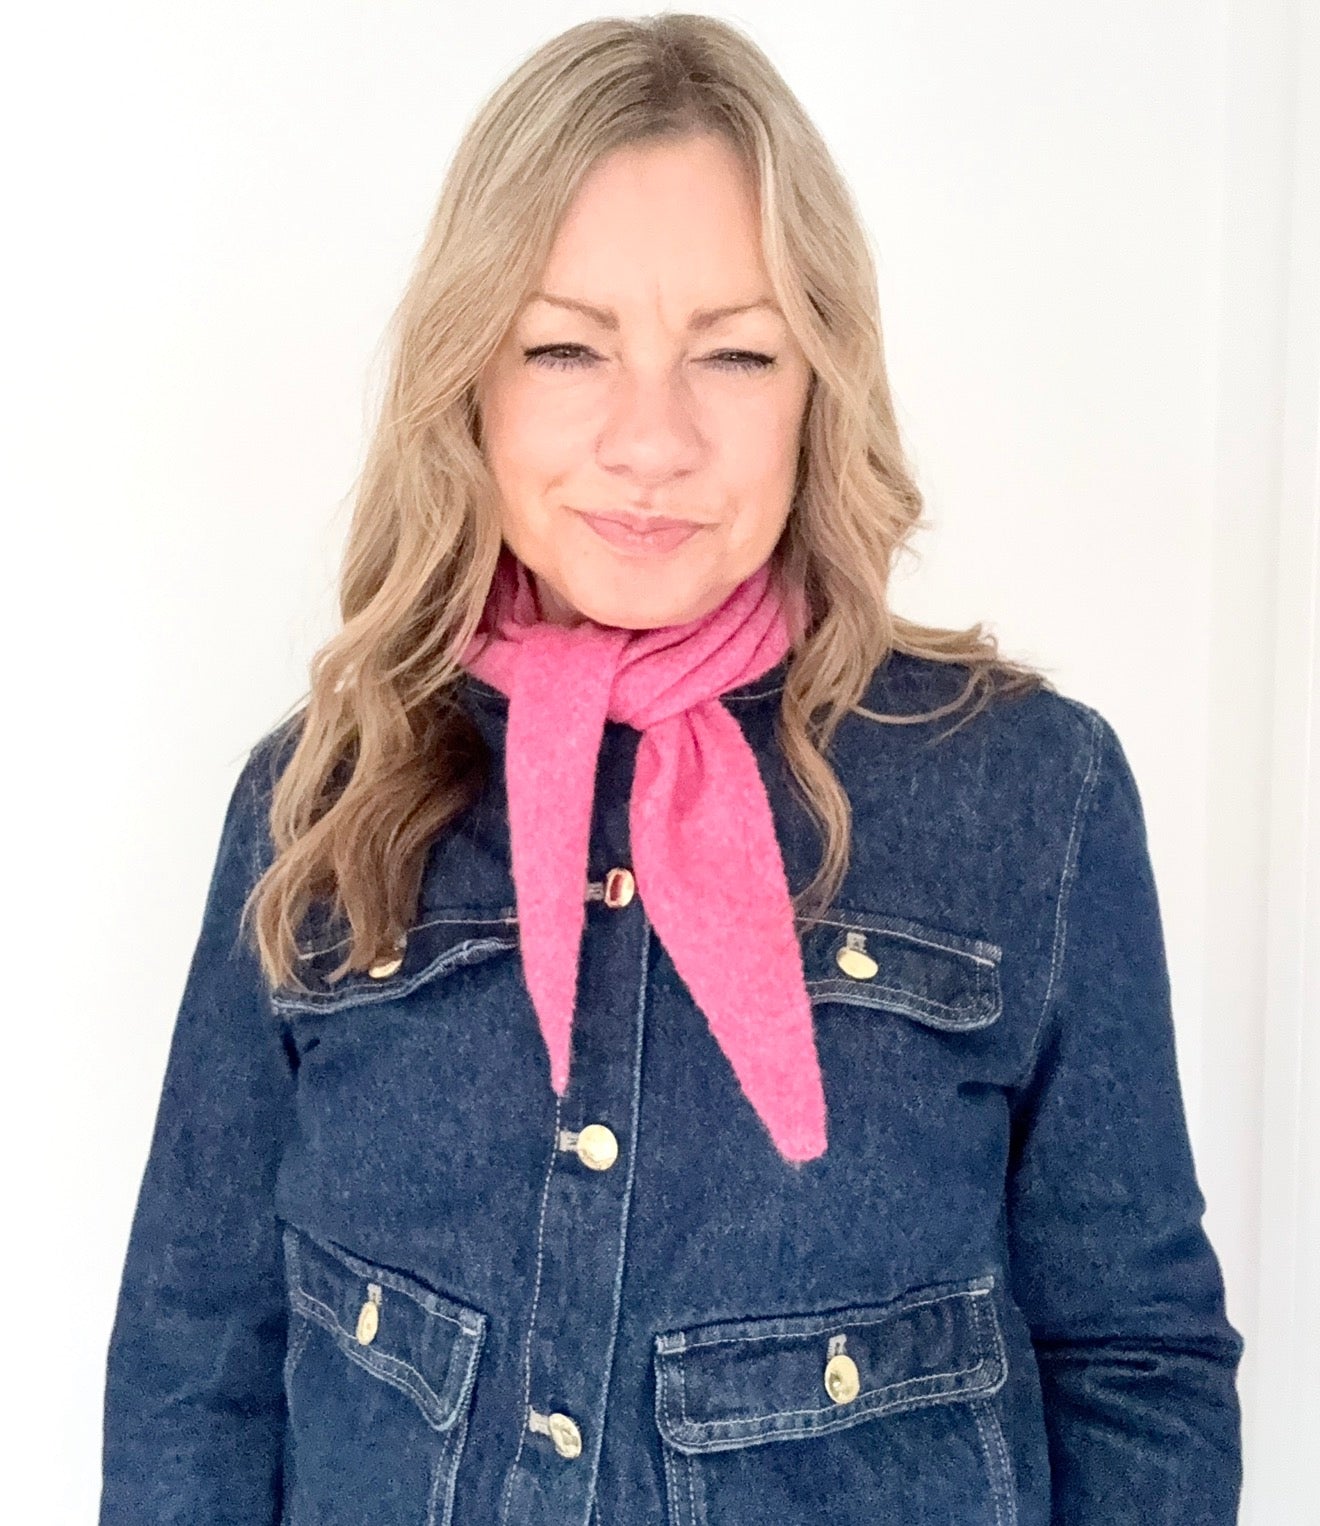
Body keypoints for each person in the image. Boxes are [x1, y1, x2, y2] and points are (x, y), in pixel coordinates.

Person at [99, 13, 1245, 1525]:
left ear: (817, 383)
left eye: (737, 351)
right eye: (568, 346)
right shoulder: (315, 801)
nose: (655, 438)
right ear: (472, 383)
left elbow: (1133, 1359)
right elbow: (198, 1358)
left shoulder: (1033, 795)